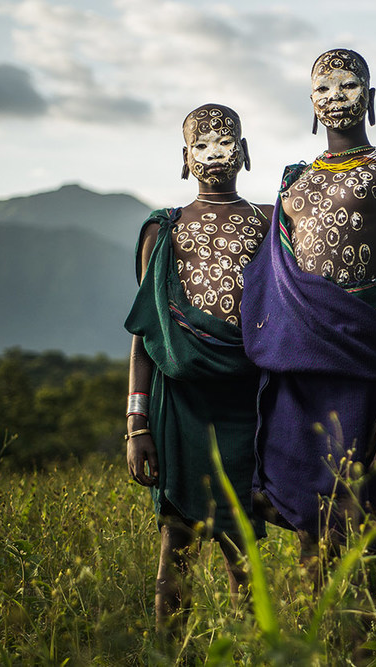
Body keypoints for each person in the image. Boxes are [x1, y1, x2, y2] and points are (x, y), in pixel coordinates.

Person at [240, 49, 376, 579]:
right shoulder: (292, 182)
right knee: (303, 513)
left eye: (347, 87)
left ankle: (367, 643)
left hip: (360, 360)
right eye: (323, 90)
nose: (335, 98)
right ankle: (312, 642)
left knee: (359, 517)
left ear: (369, 98)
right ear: (310, 104)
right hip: (292, 365)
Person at [124, 103, 272, 634]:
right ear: (185, 159)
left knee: (243, 548)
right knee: (176, 541)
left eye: (225, 142)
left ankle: (254, 649)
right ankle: (168, 651)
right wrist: (136, 425)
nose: (215, 154)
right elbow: (146, 334)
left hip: (247, 402)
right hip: (179, 405)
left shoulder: (269, 224)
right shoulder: (162, 232)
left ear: (246, 152)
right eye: (201, 146)